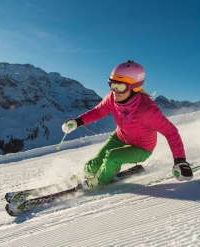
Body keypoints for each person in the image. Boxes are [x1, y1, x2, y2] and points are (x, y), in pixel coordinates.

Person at [62, 60, 192, 190]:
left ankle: (100, 181)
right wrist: (77, 122)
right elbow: (99, 111)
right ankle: (84, 174)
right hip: (120, 137)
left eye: (120, 87)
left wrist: (180, 161)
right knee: (95, 162)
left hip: (142, 148)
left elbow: (171, 132)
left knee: (112, 158)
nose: (114, 91)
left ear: (134, 87)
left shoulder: (148, 111)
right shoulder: (113, 97)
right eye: (112, 85)